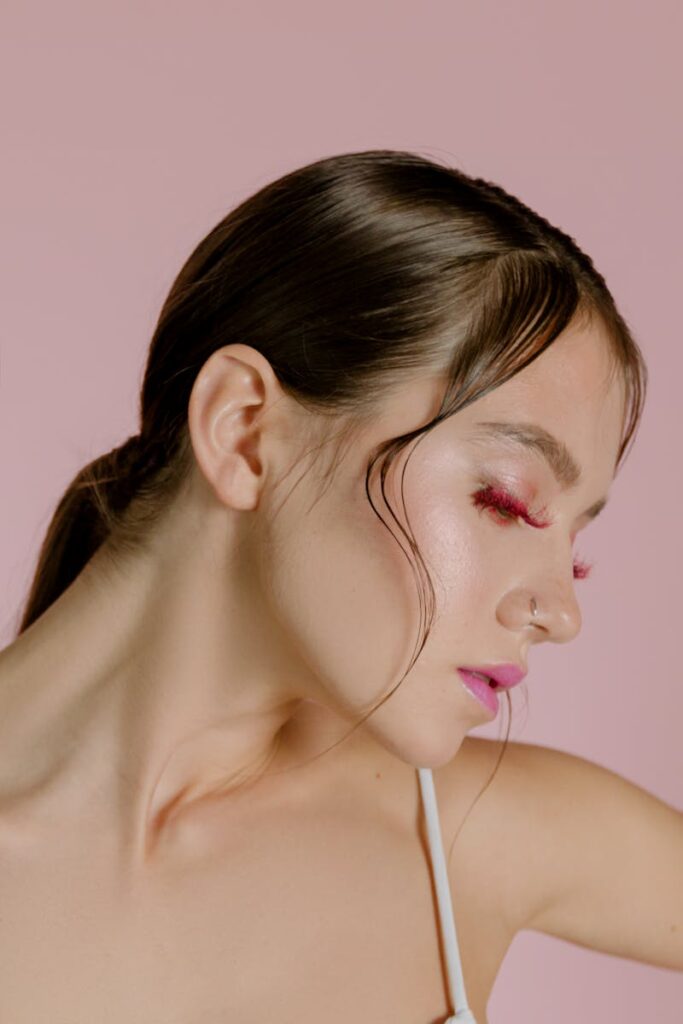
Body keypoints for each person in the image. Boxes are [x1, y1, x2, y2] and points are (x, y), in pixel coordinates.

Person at [0, 149, 679, 1024]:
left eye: (575, 550)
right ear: (244, 431)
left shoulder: (477, 835)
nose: (561, 613)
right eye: (506, 501)